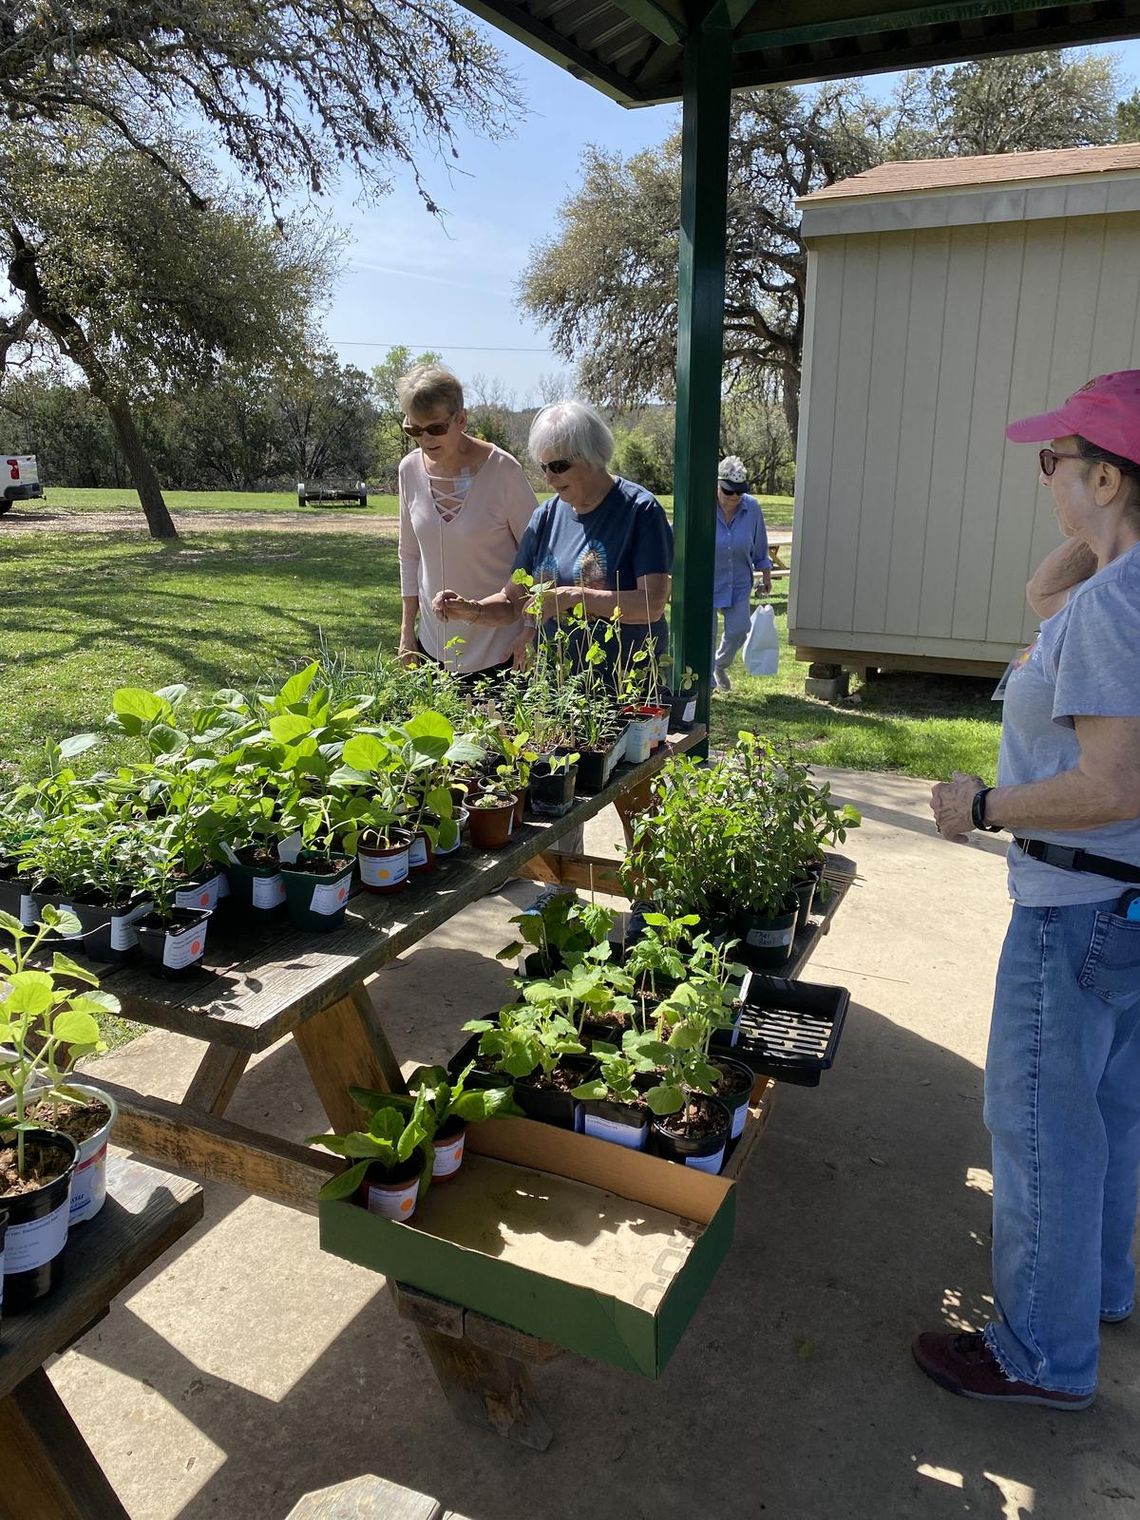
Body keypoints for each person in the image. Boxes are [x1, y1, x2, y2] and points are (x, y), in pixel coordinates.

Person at [915, 371, 1140, 1411]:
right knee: (1105, 1111)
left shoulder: (1114, 608)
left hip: (1074, 904)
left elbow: (1110, 783)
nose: (1042, 475)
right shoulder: (1115, 591)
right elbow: (1041, 594)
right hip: (1124, 903)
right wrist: (1107, 528)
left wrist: (985, 805)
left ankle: (1040, 1353)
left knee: (1040, 1118)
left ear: (1104, 473)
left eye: (1058, 460)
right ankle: (1091, 1291)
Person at [432, 399, 672, 841]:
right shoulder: (546, 517)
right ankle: (561, 902)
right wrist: (471, 609)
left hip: (626, 685)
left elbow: (652, 604)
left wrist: (575, 597)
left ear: (592, 456)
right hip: (559, 688)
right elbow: (514, 602)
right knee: (558, 804)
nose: (549, 478)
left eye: (558, 466)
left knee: (638, 803)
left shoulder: (640, 511)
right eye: (542, 467)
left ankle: (650, 898)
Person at [396, 364, 538, 679]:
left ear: (461, 420)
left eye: (435, 429)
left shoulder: (504, 472)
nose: (425, 439)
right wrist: (408, 633)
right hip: (432, 649)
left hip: (499, 650)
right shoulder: (409, 471)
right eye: (414, 430)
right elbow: (409, 554)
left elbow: (537, 559)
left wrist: (529, 629)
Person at [711, 455, 772, 692]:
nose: (735, 497)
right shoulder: (703, 505)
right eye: (728, 492)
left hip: (738, 579)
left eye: (739, 492)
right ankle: (708, 682)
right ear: (718, 486)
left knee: (739, 629)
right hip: (707, 580)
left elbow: (760, 544)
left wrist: (765, 574)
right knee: (707, 634)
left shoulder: (752, 507)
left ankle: (719, 664)